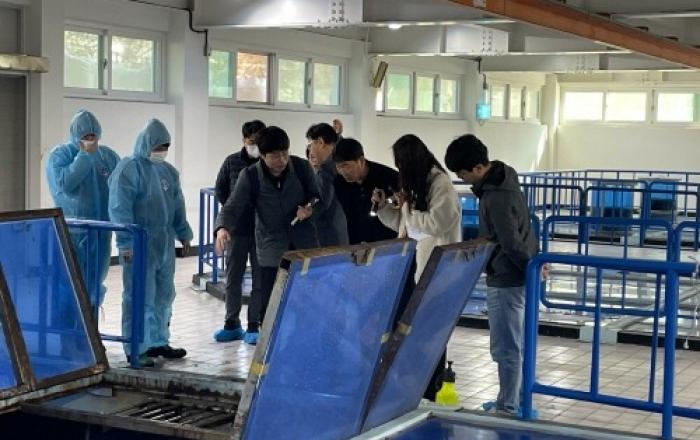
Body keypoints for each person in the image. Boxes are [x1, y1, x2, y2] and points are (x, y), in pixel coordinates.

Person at [445, 134, 538, 416]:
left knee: (505, 347)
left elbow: (510, 241)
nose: (462, 179)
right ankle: (516, 401)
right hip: (518, 274)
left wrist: (530, 265)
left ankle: (507, 406)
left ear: (477, 168)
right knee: (516, 344)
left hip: (506, 277)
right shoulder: (506, 178)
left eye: (463, 174)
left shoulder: (495, 196)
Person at [372, 134, 461, 401]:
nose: (400, 172)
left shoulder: (440, 183)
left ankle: (432, 389)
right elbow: (406, 226)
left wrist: (408, 208)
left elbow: (437, 223)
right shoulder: (418, 185)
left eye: (402, 165)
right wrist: (383, 208)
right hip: (414, 265)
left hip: (436, 269)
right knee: (412, 330)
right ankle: (413, 388)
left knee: (430, 331)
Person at [215, 126, 320, 345]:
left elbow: (316, 196)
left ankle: (303, 341)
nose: (281, 160)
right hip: (270, 245)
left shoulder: (301, 168)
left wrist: (309, 207)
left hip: (304, 243)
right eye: (274, 155)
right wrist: (222, 228)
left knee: (306, 296)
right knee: (270, 298)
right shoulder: (250, 176)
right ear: (262, 155)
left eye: (284, 153)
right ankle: (270, 345)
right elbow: (232, 205)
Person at [108, 118, 193, 367]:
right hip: (138, 243)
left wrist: (183, 232)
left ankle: (158, 341)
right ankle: (136, 346)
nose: (162, 151)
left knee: (164, 294)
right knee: (138, 295)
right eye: (158, 146)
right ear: (146, 143)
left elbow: (177, 204)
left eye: (165, 146)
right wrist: (125, 242)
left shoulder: (168, 172)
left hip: (163, 243)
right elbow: (119, 208)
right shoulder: (128, 170)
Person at [46, 109, 120, 308]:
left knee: (95, 284)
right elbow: (65, 184)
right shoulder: (61, 155)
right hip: (73, 233)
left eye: (92, 136)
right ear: (75, 135)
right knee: (70, 283)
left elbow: (121, 189)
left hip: (101, 232)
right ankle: (69, 326)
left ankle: (91, 325)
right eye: (85, 136)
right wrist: (83, 157)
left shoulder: (108, 157)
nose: (90, 140)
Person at [212, 120, 265, 344]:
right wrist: (231, 213)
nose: (255, 146)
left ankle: (254, 325)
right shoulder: (232, 161)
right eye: (251, 141)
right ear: (243, 140)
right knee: (233, 277)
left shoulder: (268, 163)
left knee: (260, 280)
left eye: (258, 141)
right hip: (237, 230)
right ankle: (232, 323)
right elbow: (220, 189)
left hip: (262, 231)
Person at [333, 138, 398, 244]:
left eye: (345, 165)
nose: (342, 171)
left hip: (387, 242)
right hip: (356, 244)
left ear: (361, 161)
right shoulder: (339, 183)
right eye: (338, 167)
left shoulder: (388, 177)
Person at [306, 123, 348, 247]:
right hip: (341, 230)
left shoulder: (324, 170)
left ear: (320, 142)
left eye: (311, 144)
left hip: (329, 234)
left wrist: (307, 211)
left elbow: (322, 203)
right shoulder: (339, 159)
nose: (310, 149)